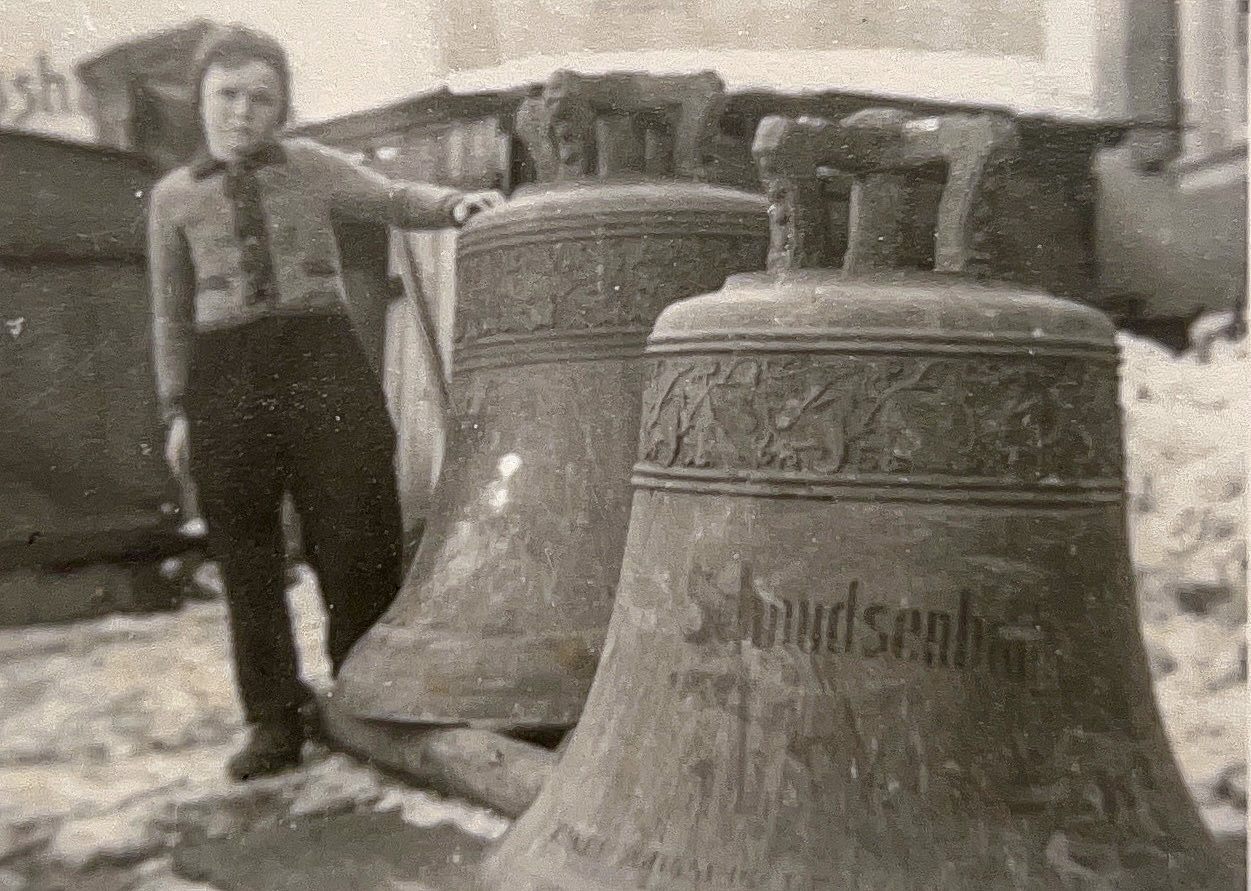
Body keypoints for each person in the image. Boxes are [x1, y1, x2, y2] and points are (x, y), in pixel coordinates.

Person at [147, 24, 505, 781]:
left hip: (320, 364)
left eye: (260, 98)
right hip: (223, 379)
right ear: (202, 100)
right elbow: (168, 310)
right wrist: (178, 408)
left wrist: (454, 205)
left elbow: (392, 197)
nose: (242, 112)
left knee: (356, 530)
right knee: (246, 558)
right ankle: (274, 717)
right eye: (227, 95)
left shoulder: (310, 166)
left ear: (280, 108)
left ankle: (369, 690)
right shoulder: (174, 198)